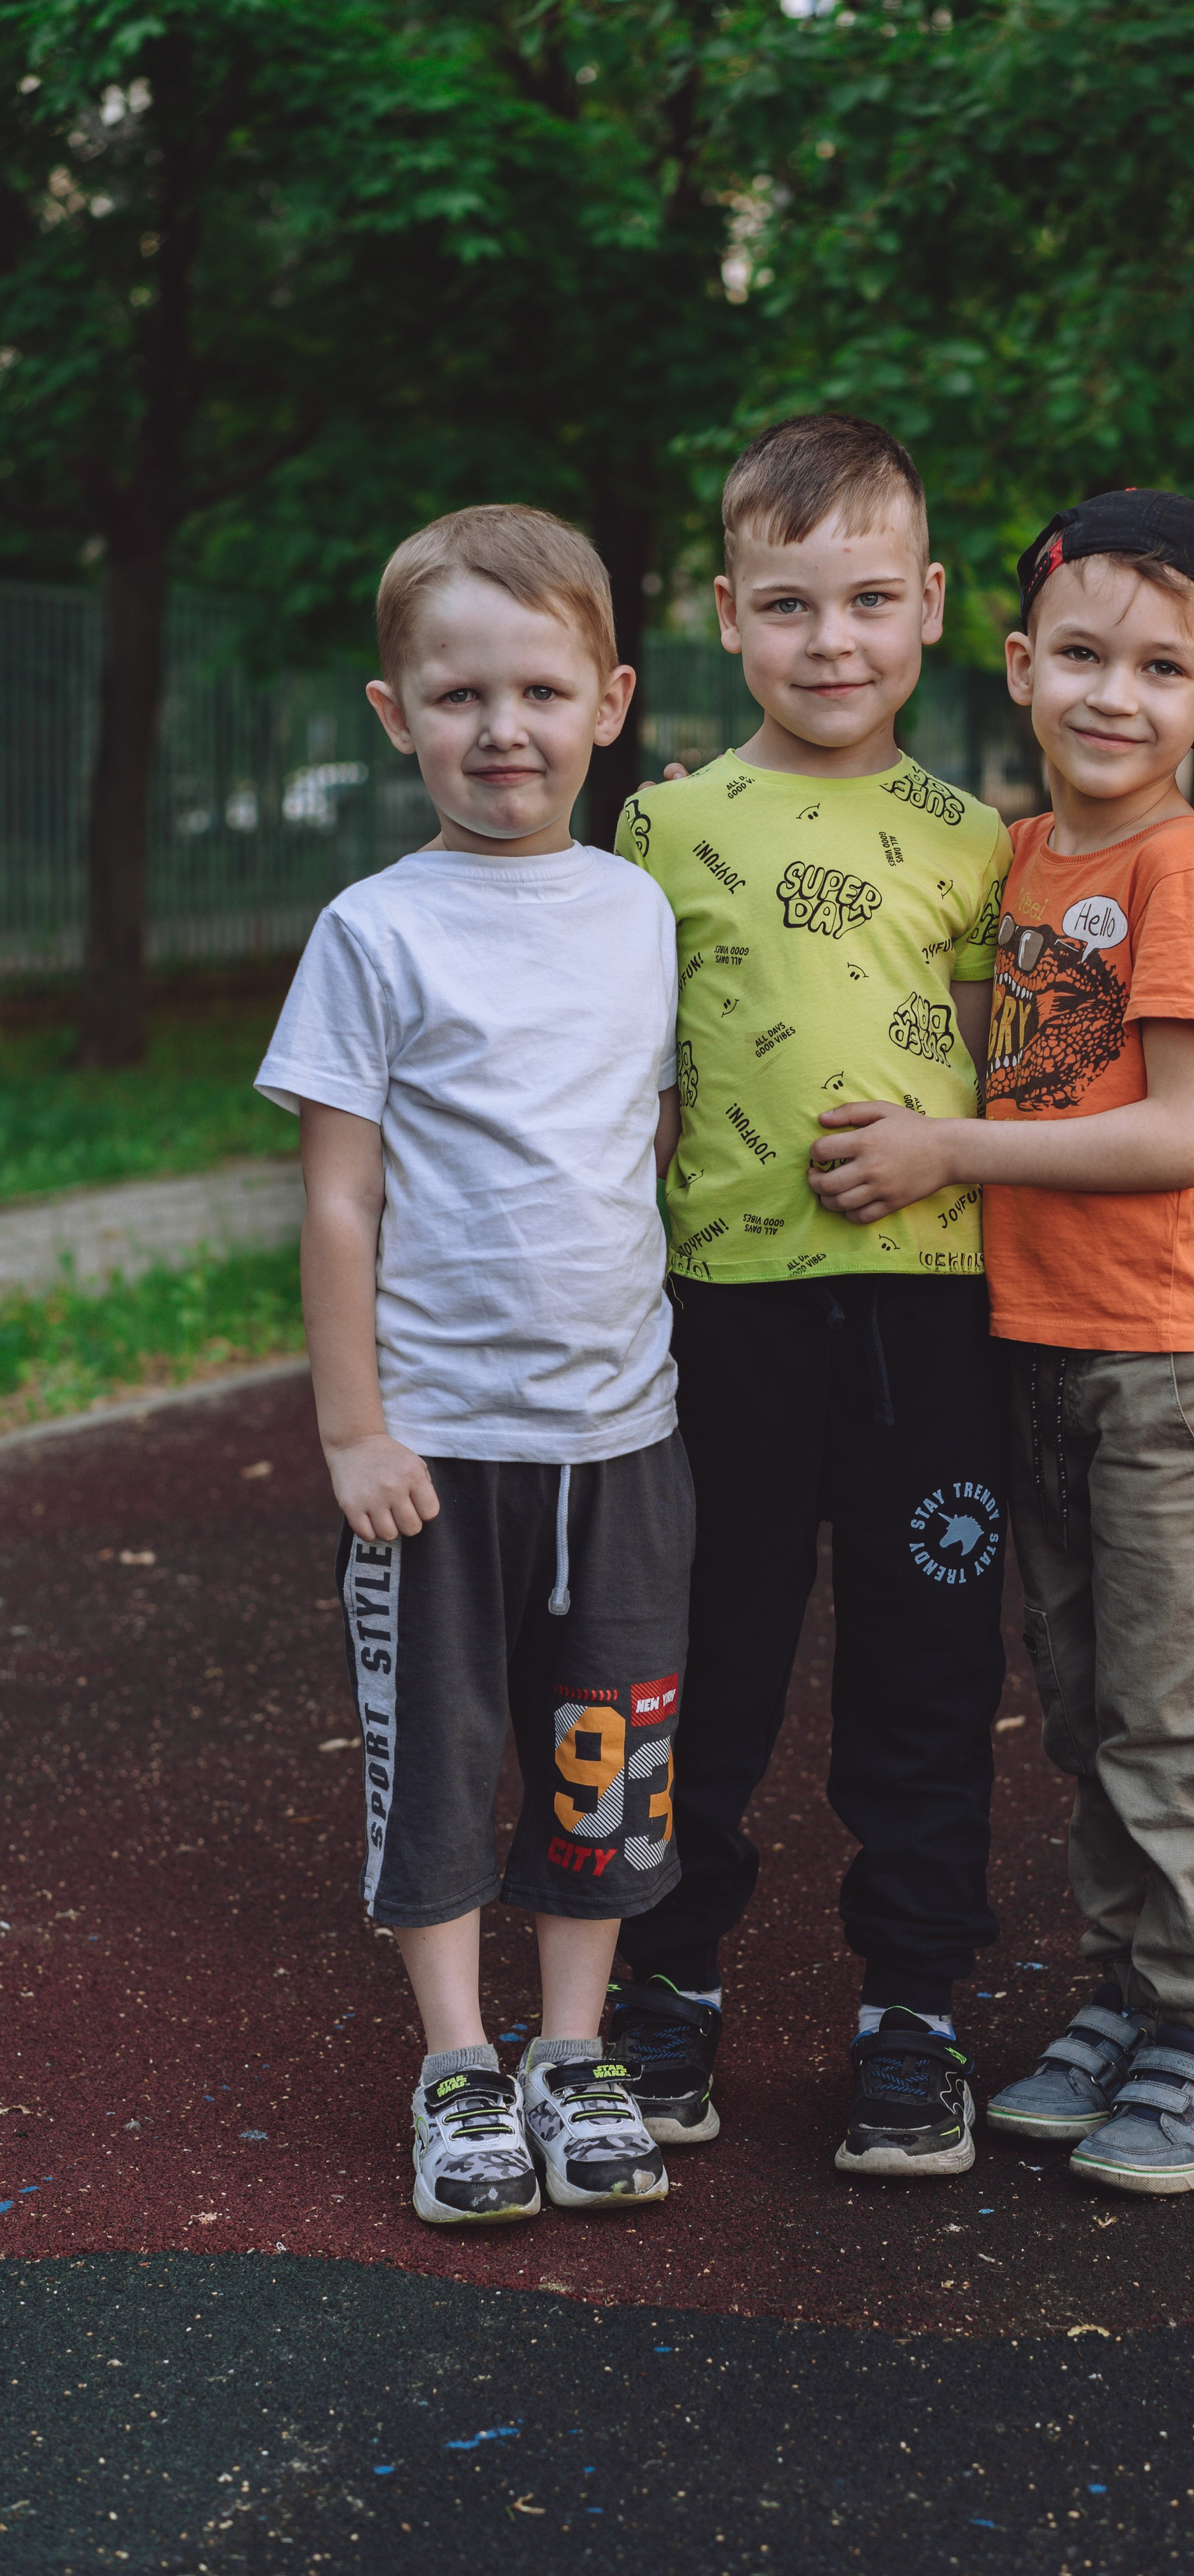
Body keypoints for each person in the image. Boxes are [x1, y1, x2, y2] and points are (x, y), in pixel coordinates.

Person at [806, 489, 1194, 2197]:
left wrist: (948, 1152)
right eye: (1085, 656)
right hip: (1036, 1341)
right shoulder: (1021, 861)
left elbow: (1183, 1132)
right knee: (1089, 1705)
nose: (1116, 696)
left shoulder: (1183, 868)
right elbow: (1005, 1057)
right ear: (1022, 666)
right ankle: (1128, 1998)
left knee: (1168, 1712)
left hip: (1167, 1357)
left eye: (1162, 669)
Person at [256, 505, 694, 2227]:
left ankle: (570, 2053)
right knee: (436, 1766)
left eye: (537, 688)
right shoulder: (375, 931)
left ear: (609, 700)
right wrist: (353, 1429)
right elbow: (341, 1208)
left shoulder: (644, 916)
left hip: (623, 1436)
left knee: (607, 1760)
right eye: (457, 696)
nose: (499, 728)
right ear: (394, 714)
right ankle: (456, 2062)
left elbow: (645, 1141)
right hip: (437, 1442)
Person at [607, 413, 1015, 2178]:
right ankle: (666, 1982)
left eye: (865, 600)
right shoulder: (663, 820)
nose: (829, 642)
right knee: (705, 1663)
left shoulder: (983, 846)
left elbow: (1032, 1088)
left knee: (926, 1669)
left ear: (927, 606)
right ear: (724, 614)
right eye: (788, 606)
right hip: (726, 1323)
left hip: (936, 1326)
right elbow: (633, 1082)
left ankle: (909, 2010)